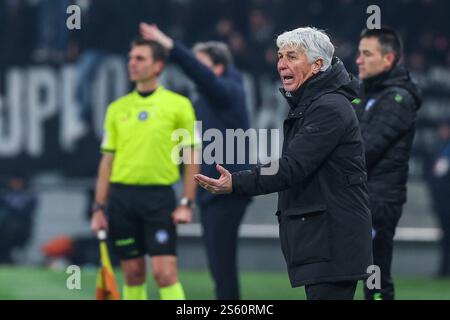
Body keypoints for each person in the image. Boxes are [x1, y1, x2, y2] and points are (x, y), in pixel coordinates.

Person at [194, 27, 373, 300]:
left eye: (291, 56)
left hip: (333, 242)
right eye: (280, 56)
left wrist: (237, 181)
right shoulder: (315, 104)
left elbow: (291, 167)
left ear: (317, 65)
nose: (281, 64)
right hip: (326, 239)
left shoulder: (329, 107)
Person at [140, 23, 252, 300]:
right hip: (212, 192)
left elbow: (204, 78)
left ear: (219, 67)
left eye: (201, 65)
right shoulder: (206, 100)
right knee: (219, 262)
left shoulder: (229, 90)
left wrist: (171, 47)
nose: (195, 72)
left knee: (221, 262)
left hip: (227, 190)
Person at [90, 38, 200, 300]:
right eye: (131, 58)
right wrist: (98, 207)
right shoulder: (117, 108)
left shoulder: (179, 105)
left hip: (158, 199)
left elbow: (191, 155)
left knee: (164, 273)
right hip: (122, 200)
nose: (132, 63)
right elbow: (107, 161)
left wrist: (186, 201)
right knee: (133, 273)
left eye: (140, 58)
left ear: (158, 66)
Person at [354, 27, 422, 300]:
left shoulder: (398, 99)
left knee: (376, 277)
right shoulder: (367, 93)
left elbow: (365, 149)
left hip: (379, 200)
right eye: (359, 53)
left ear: (389, 59)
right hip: (362, 196)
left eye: (367, 54)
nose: (358, 59)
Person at [426, 119, 450, 277]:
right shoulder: (438, 148)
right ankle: (444, 270)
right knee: (446, 236)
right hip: (442, 202)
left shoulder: (443, 149)